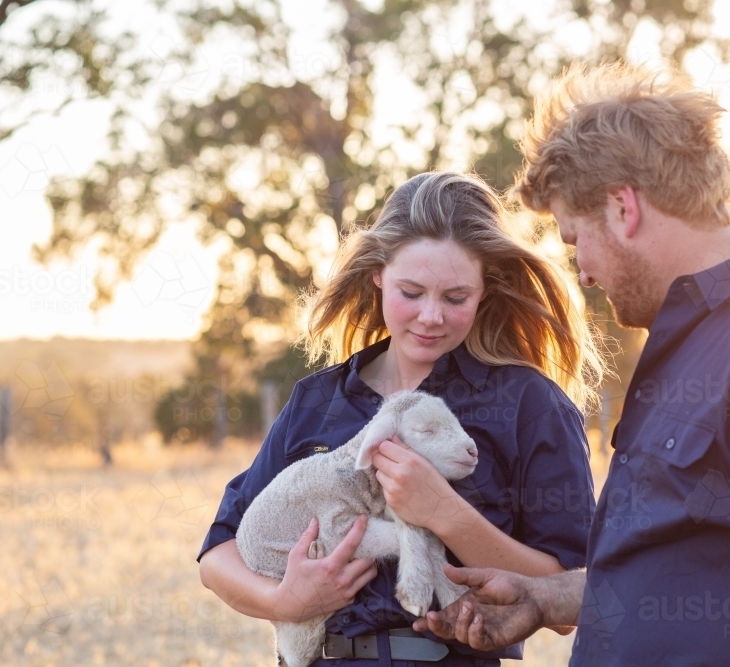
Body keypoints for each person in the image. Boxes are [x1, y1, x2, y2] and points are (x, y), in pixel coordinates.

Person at [413, 62, 730, 666]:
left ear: (622, 208)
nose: (580, 270)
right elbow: (691, 567)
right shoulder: (692, 346)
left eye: (575, 238)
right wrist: (545, 596)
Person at [197, 171, 607, 666]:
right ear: (377, 274)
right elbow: (219, 555)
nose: (430, 316)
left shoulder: (530, 406)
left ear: (485, 291)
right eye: (411, 292)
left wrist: (443, 512)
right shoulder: (317, 399)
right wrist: (284, 602)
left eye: (455, 298)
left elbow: (567, 599)